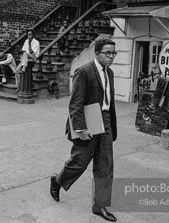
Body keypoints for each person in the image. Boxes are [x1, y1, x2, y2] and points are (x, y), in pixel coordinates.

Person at [50, 38, 118, 222]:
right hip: (88, 120)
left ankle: (100, 206)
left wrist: (110, 122)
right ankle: (57, 181)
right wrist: (80, 128)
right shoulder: (84, 71)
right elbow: (75, 103)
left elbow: (108, 101)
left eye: (114, 53)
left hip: (106, 121)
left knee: (105, 166)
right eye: (108, 53)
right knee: (79, 162)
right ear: (97, 53)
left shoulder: (109, 73)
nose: (112, 57)